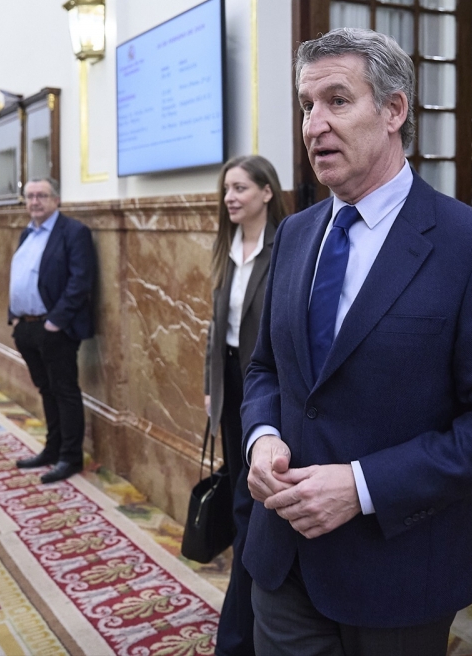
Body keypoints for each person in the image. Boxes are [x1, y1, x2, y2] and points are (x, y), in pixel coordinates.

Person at [241, 28, 472, 655]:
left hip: (400, 574)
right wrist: (262, 437)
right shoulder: (294, 235)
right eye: (306, 105)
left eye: (337, 100)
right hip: (284, 564)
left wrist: (360, 485)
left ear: (394, 110)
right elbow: (266, 370)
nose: (315, 124)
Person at [205, 155, 287, 656]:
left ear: (266, 192)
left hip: (265, 386)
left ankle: (242, 632)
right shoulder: (227, 246)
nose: (230, 197)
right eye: (227, 190)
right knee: (241, 496)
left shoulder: (285, 245)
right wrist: (211, 384)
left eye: (239, 188)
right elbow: (217, 328)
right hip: (231, 380)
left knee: (249, 504)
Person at [8, 177, 96, 485]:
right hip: (26, 327)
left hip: (56, 329)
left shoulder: (74, 232)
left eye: (42, 196)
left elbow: (80, 282)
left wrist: (54, 322)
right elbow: (20, 277)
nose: (35, 201)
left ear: (56, 200)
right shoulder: (26, 233)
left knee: (65, 392)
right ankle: (53, 448)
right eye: (30, 196)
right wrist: (15, 318)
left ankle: (70, 457)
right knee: (46, 391)